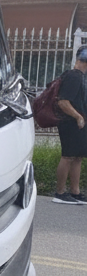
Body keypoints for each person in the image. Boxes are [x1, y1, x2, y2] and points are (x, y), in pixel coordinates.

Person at [53, 46, 87, 204]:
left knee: (77, 157)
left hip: (77, 122)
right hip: (70, 122)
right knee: (68, 156)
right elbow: (63, 102)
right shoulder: (74, 76)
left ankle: (75, 192)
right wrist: (78, 116)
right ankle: (60, 193)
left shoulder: (80, 76)